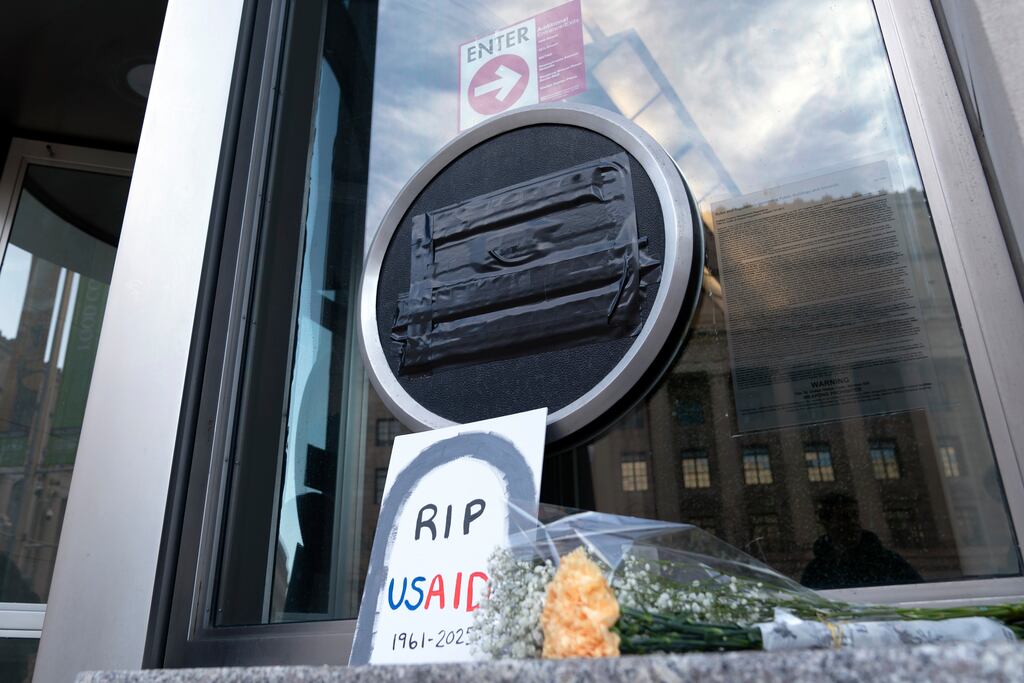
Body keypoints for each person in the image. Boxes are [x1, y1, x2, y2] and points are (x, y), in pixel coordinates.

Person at [801, 492, 921, 589]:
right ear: (826, 523)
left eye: (855, 515)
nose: (853, 522)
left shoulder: (888, 562)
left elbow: (919, 592)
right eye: (844, 517)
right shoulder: (816, 570)